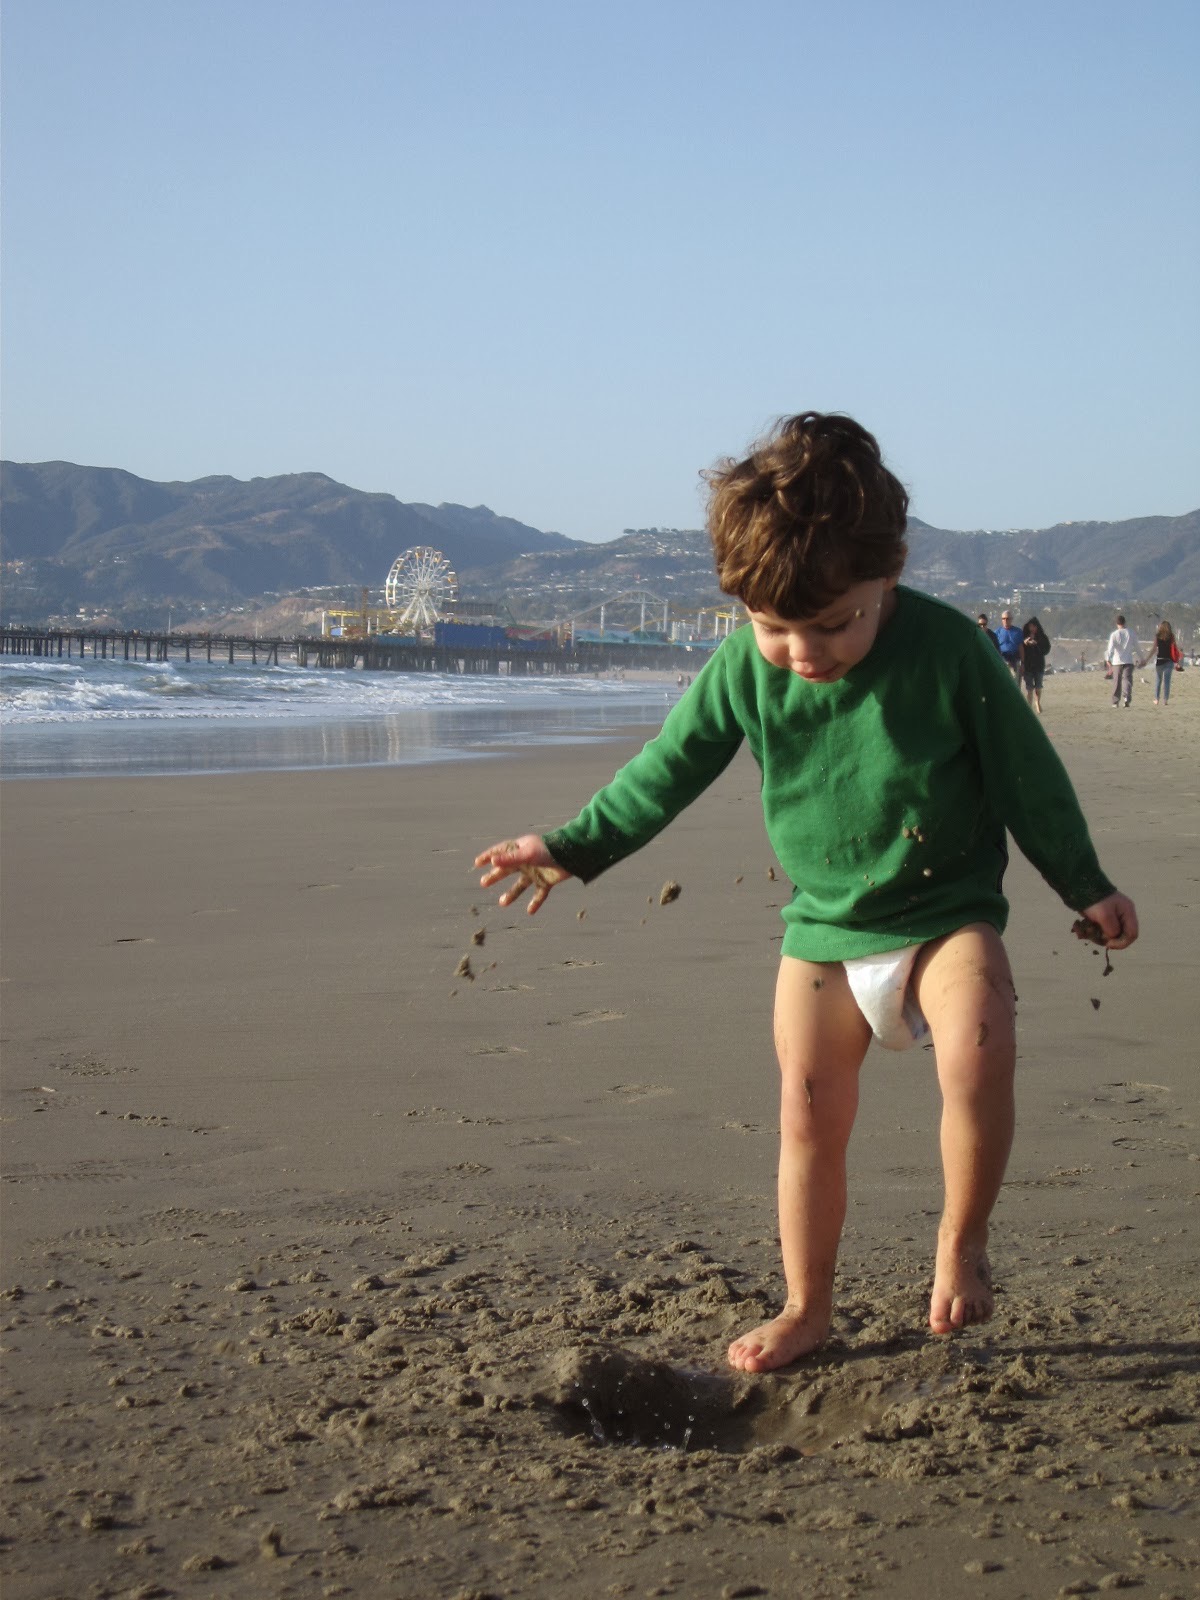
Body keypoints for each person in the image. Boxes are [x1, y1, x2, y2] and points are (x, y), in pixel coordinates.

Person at [474, 412, 1138, 1374]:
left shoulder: (949, 651)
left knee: (981, 1048)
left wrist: (1087, 885)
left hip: (944, 914)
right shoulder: (745, 667)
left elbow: (1027, 779)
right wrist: (575, 846)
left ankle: (961, 1243)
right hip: (823, 929)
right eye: (774, 627)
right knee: (807, 1113)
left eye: (834, 623)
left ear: (889, 574)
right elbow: (667, 769)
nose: (802, 651)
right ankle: (806, 1306)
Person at [1105, 614, 1142, 707]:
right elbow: (1137, 647)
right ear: (1125, 622)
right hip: (1128, 661)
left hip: (1117, 661)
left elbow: (1110, 649)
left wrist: (1108, 659)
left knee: (1116, 681)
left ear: (1117, 623)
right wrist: (1142, 658)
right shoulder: (1131, 633)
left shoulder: (1114, 634)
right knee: (1127, 680)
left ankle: (1115, 701)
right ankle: (1126, 698)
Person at [1019, 616, 1051, 714]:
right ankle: (1029, 707)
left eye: (1034, 626)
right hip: (1028, 665)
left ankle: (1037, 702)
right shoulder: (1024, 636)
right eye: (1030, 626)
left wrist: (1037, 644)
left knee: (1038, 686)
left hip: (1039, 665)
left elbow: (1047, 649)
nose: (1032, 628)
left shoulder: (1042, 637)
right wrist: (1025, 643)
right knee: (1029, 688)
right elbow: (1020, 647)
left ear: (1037, 627)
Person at [1152, 620, 1182, 706]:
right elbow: (1175, 648)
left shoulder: (1157, 636)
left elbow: (1154, 649)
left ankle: (1156, 699)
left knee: (1158, 681)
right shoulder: (1171, 636)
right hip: (1169, 661)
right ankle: (1165, 700)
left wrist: (1147, 659)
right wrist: (1177, 661)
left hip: (1160, 661)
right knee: (1167, 682)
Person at [995, 610, 1023, 680]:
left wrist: (1023, 663)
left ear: (1011, 619)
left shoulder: (1018, 632)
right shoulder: (997, 632)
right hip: (1003, 660)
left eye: (1007, 619)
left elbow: (1021, 648)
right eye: (1003, 619)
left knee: (1015, 681)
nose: (1005, 621)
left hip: (1015, 660)